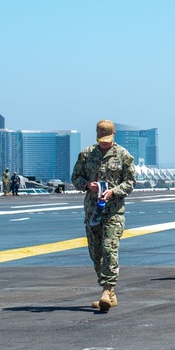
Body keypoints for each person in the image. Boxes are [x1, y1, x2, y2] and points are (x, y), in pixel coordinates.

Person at [71, 119, 136, 312]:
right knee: (96, 252)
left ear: (114, 135)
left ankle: (107, 291)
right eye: (102, 139)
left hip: (113, 212)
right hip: (93, 211)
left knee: (109, 248)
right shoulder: (86, 154)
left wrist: (114, 191)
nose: (104, 143)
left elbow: (131, 181)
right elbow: (75, 177)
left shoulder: (124, 155)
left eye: (107, 140)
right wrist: (87, 185)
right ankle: (109, 291)